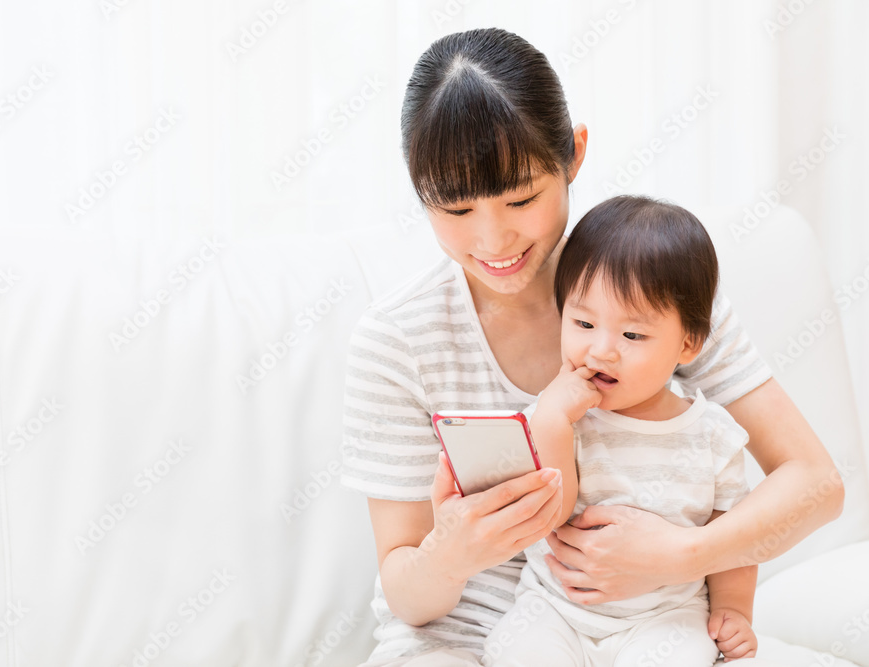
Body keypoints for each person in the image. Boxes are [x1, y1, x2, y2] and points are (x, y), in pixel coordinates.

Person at [339, 27, 842, 667]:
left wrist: (679, 555)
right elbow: (407, 597)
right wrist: (452, 551)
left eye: (521, 198)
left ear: (574, 155)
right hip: (459, 642)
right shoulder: (396, 342)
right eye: (456, 211)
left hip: (647, 626)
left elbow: (817, 484)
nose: (493, 241)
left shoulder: (647, 295)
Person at [483, 195, 758, 666]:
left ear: (688, 343)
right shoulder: (554, 416)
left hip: (665, 616)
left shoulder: (713, 436)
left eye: (632, 335)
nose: (602, 350)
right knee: (516, 650)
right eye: (584, 323)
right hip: (557, 609)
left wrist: (735, 610)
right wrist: (551, 421)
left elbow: (730, 536)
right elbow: (550, 514)